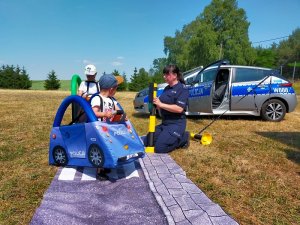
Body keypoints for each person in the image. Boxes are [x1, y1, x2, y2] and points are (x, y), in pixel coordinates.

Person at [143, 65, 190, 153]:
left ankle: (184, 138)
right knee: (147, 141)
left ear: (175, 75)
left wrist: (161, 104)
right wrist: (157, 103)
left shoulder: (183, 89)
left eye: (167, 74)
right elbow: (162, 104)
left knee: (160, 148)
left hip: (176, 124)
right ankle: (168, 137)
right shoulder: (166, 88)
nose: (164, 76)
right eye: (164, 74)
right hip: (165, 123)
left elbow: (179, 108)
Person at [90, 74, 124, 180]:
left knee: (110, 147)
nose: (116, 91)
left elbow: (118, 109)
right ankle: (100, 171)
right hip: (99, 129)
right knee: (102, 148)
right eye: (116, 88)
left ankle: (106, 166)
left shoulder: (111, 100)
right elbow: (94, 113)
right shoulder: (97, 99)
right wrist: (104, 114)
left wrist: (122, 116)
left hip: (109, 128)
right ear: (111, 89)